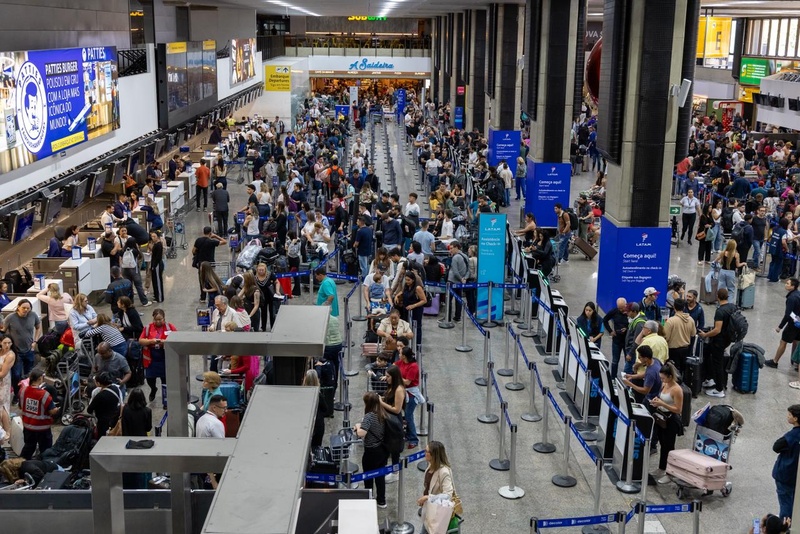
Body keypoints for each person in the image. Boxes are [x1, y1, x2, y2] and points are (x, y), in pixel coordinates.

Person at [649, 362, 684, 485]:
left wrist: (662, 404)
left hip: (671, 420)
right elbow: (662, 398)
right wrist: (657, 401)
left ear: (670, 376)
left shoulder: (677, 390)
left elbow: (678, 409)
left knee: (668, 447)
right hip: (661, 417)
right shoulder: (664, 384)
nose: (662, 380)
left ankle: (670, 473)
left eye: (663, 378)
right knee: (662, 444)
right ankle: (662, 467)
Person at [0, 299, 41, 402]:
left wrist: (35, 340)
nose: (26, 310)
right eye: (24, 308)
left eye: (28, 308)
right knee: (16, 374)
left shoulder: (33, 315)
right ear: (18, 307)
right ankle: (18, 395)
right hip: (16, 353)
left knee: (29, 373)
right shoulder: (10, 318)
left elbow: (38, 327)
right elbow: (3, 332)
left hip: (29, 350)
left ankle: (28, 393)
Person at [698, 288, 736, 398]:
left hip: (719, 341)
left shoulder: (720, 311)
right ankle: (710, 378)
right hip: (727, 338)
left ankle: (719, 389)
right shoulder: (732, 307)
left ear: (717, 296)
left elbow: (717, 330)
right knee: (708, 353)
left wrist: (705, 335)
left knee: (718, 364)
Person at [354, 391, 389, 508]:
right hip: (382, 450)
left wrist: (358, 426)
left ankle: (368, 497)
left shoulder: (369, 416)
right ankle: (381, 500)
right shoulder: (382, 412)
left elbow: (361, 433)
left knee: (368, 475)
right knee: (380, 476)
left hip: (371, 451)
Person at [18, 369, 59, 460]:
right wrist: (57, 410)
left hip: (28, 426)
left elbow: (21, 407)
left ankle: (20, 465)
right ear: (40, 379)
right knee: (45, 450)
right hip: (42, 428)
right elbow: (52, 411)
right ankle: (43, 466)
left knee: (28, 447)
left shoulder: (23, 391)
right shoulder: (44, 394)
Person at [417, 441, 456, 534]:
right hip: (430, 509)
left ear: (434, 455)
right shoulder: (431, 465)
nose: (424, 453)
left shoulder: (444, 472)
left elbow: (448, 495)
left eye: (427, 451)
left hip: (437, 512)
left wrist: (428, 497)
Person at [139, 309, 176, 404]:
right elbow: (141, 340)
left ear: (164, 318)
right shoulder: (148, 328)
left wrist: (165, 342)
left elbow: (177, 339)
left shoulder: (170, 327)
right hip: (151, 358)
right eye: (156, 319)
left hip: (165, 357)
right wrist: (151, 341)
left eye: (160, 319)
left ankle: (166, 401)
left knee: (165, 382)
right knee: (150, 378)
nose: (158, 321)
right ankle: (153, 389)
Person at [120, 387, 153, 488]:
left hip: (129, 441)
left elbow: (124, 426)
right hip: (143, 442)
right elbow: (148, 428)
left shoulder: (125, 410)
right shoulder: (147, 411)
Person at [772, 404, 800, 519]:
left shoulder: (792, 436)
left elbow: (776, 447)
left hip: (786, 474)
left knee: (785, 502)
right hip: (796, 476)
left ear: (795, 418)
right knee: (794, 499)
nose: (787, 416)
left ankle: (784, 523)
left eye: (789, 414)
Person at [766, 278, 800, 370]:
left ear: (793, 286)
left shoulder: (791, 298)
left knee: (783, 342)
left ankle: (775, 361)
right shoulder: (798, 294)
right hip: (799, 322)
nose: (786, 284)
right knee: (796, 341)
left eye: (788, 283)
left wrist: (780, 327)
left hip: (793, 324)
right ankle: (796, 361)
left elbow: (788, 314)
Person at [117, 226, 150, 307]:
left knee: (128, 286)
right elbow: (140, 256)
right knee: (138, 286)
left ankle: (129, 302)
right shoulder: (135, 251)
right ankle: (144, 301)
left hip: (125, 269)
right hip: (134, 270)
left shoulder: (123, 250)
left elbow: (120, 256)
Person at [396, 347, 422, 449]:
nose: (399, 355)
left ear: (404, 356)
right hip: (403, 392)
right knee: (406, 414)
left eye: (400, 353)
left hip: (411, 395)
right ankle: (408, 434)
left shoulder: (413, 366)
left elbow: (407, 382)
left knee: (408, 416)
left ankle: (413, 439)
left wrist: (395, 376)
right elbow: (394, 366)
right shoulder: (402, 362)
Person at [192, 227, 227, 301]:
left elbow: (193, 251)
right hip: (210, 263)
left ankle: (203, 297)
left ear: (203, 232)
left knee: (202, 280)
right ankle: (212, 294)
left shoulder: (198, 240)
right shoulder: (212, 242)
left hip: (201, 264)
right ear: (210, 233)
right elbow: (224, 241)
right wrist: (216, 236)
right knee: (211, 279)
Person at [663, 298, 695, 375]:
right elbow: (693, 334)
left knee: (674, 373)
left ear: (674, 307)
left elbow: (665, 337)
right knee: (683, 372)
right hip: (686, 349)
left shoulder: (671, 321)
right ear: (684, 307)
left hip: (673, 351)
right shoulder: (691, 320)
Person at [87, 371, 124, 437]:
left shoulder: (100, 395)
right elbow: (121, 403)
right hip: (114, 419)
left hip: (103, 423)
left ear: (98, 383)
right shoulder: (116, 389)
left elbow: (89, 410)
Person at [394, 271, 426, 344]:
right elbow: (402, 292)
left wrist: (413, 305)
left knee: (417, 327)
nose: (407, 281)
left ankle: (417, 344)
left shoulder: (418, 288)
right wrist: (397, 295)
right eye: (406, 279)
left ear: (413, 280)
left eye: (409, 280)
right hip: (406, 309)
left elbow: (424, 300)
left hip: (416, 310)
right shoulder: (406, 286)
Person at [603, 298, 629, 379]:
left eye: (622, 308)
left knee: (627, 361)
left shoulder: (630, 312)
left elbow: (634, 323)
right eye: (619, 308)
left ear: (626, 305)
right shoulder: (614, 311)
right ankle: (613, 377)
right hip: (616, 340)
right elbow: (605, 320)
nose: (621, 310)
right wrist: (610, 331)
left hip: (627, 341)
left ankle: (627, 378)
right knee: (615, 360)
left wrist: (627, 329)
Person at [302, 369, 326, 448]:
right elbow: (325, 409)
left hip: (306, 425)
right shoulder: (319, 395)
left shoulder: (302, 394)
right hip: (318, 425)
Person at [447, 241, 470, 322]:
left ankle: (448, 317)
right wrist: (465, 278)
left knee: (448, 300)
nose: (450, 250)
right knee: (458, 300)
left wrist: (460, 278)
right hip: (460, 283)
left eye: (451, 248)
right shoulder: (465, 256)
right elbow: (468, 269)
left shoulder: (455, 257)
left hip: (452, 281)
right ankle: (457, 317)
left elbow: (455, 271)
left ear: (457, 247)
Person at [0, 337, 15, 440]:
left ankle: (7, 432)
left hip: (3, 382)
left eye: (9, 343)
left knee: (3, 405)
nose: (7, 345)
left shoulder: (10, 355)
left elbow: (3, 374)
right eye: (5, 343)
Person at [148, 230, 165, 303]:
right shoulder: (155, 244)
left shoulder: (158, 245)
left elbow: (158, 257)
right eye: (152, 236)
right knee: (155, 280)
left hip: (157, 265)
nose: (153, 238)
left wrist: (154, 265)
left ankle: (159, 297)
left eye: (154, 236)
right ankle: (156, 295)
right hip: (154, 264)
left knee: (158, 281)